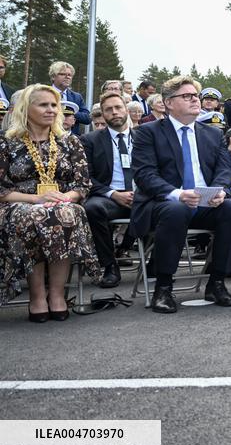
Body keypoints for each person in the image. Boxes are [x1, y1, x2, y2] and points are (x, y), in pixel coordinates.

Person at [131, 75, 231, 313]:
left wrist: (221, 191)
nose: (195, 99)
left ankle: (216, 282)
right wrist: (176, 193)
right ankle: (163, 287)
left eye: (196, 95)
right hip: (164, 203)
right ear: (169, 102)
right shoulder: (147, 132)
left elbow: (226, 169)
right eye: (187, 96)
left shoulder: (212, 134)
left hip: (206, 203)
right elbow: (144, 175)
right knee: (176, 209)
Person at [0, 84, 98, 320]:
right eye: (43, 104)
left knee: (66, 213)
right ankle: (36, 295)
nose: (52, 110)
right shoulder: (7, 143)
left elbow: (82, 184)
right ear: (26, 108)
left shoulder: (70, 142)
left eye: (54, 105)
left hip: (61, 202)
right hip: (18, 203)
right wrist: (36, 199)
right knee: (34, 215)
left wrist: (65, 198)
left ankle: (56, 295)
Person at [81, 91, 138, 289]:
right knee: (92, 208)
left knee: (169, 207)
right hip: (109, 197)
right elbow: (86, 177)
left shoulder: (144, 137)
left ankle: (157, 263)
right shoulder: (90, 140)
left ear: (126, 110)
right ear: (103, 114)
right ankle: (109, 266)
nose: (114, 112)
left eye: (118, 107)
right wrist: (113, 194)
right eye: (109, 109)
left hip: (142, 196)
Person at [49, 61, 90, 135]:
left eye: (69, 75)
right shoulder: (44, 94)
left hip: (71, 140)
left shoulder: (76, 97)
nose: (67, 77)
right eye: (62, 74)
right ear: (53, 77)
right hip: (48, 137)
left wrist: (70, 113)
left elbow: (87, 118)